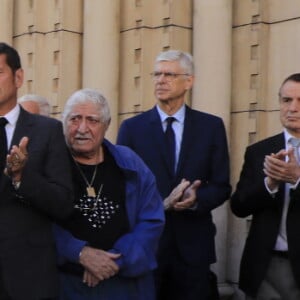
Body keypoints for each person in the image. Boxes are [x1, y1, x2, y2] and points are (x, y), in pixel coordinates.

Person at [117, 50, 231, 300]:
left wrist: (196, 198)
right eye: (157, 74)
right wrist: (161, 204)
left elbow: (222, 185)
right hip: (147, 248)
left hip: (193, 251)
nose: (161, 80)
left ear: (188, 81)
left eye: (169, 74)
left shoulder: (210, 127)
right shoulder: (132, 129)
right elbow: (122, 188)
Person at [53, 88, 165, 300]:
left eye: (92, 120)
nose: (82, 128)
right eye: (75, 119)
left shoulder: (129, 163)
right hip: (67, 284)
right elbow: (37, 222)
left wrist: (113, 261)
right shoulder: (51, 165)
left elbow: (151, 220)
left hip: (124, 284)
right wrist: (79, 253)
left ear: (106, 125)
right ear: (64, 123)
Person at [0, 42, 73, 300]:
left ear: (18, 77)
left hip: (29, 276)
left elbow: (63, 202)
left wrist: (22, 178)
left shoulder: (47, 131)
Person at [231, 73, 300, 299]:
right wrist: (269, 184)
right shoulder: (259, 151)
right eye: (286, 100)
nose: (292, 108)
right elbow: (239, 206)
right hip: (265, 267)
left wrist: (298, 179)